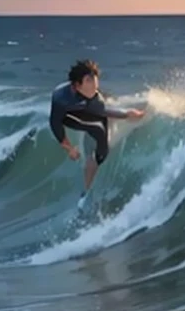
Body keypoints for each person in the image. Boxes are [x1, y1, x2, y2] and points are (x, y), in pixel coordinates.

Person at [49, 58, 144, 206]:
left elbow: (104, 111)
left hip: (88, 107)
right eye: (89, 81)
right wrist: (69, 148)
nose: (94, 84)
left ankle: (96, 162)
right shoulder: (61, 98)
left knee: (102, 143)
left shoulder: (94, 98)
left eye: (95, 80)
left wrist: (127, 113)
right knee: (96, 129)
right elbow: (55, 124)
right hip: (68, 116)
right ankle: (86, 191)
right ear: (76, 85)